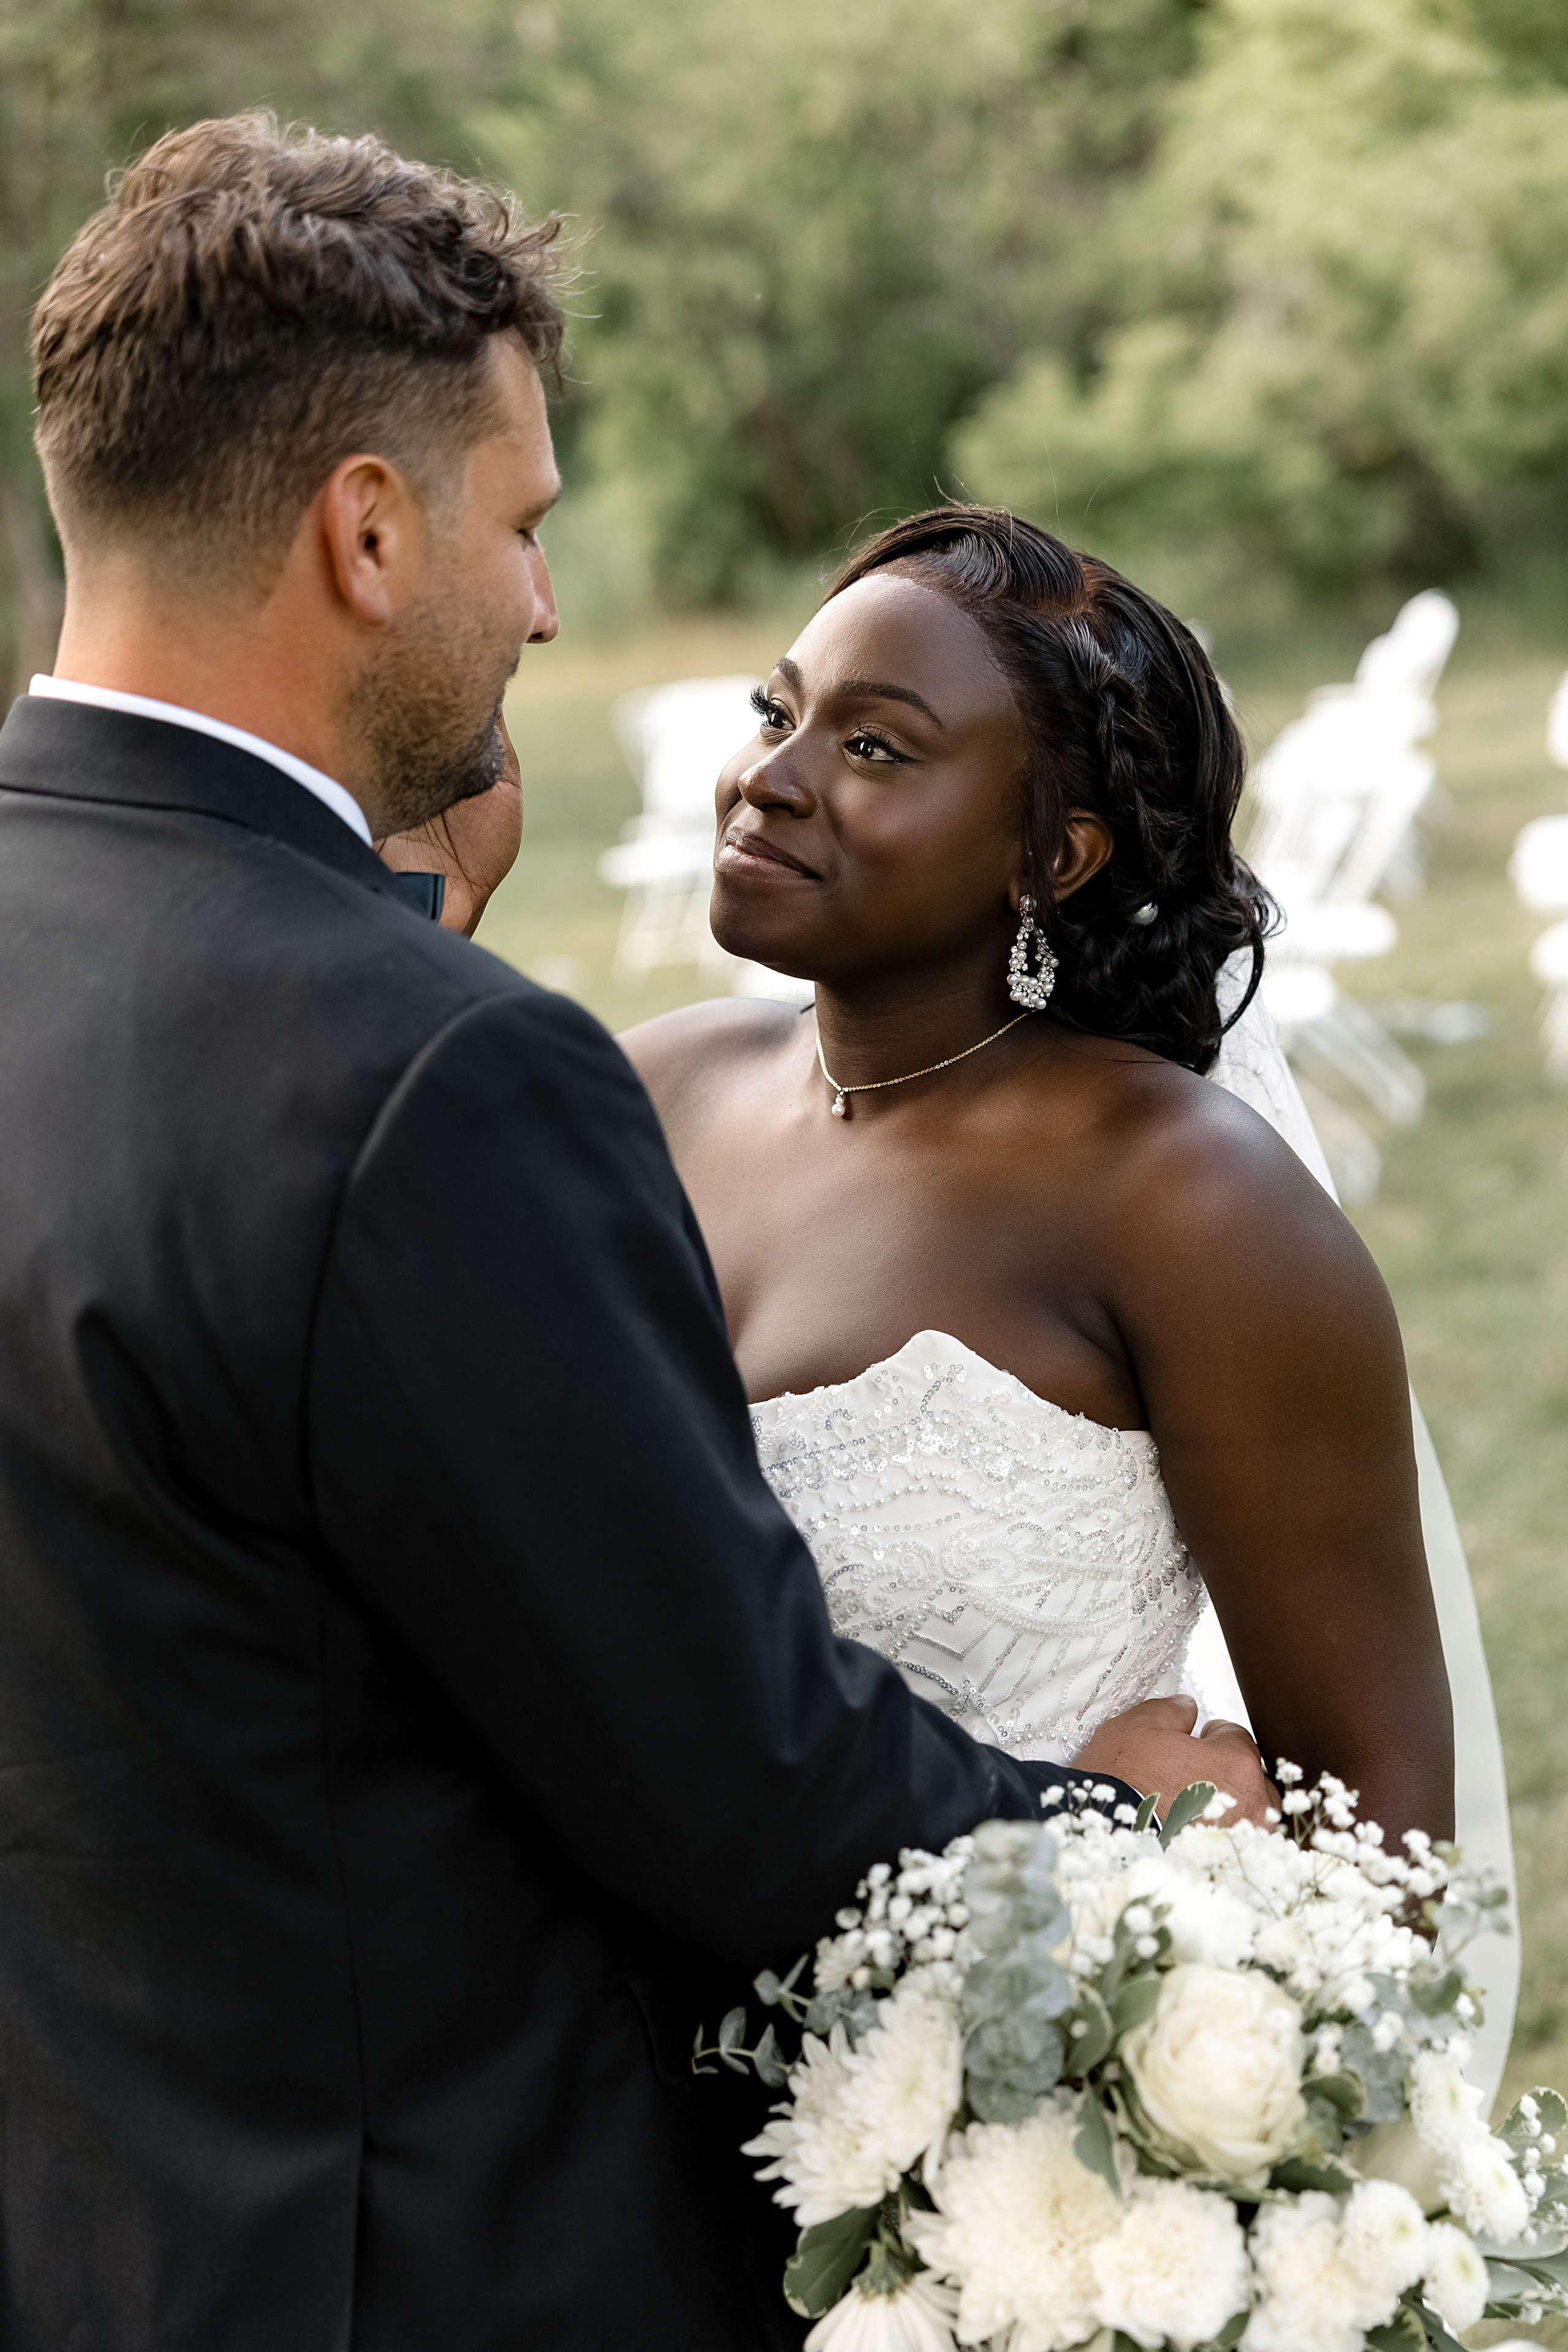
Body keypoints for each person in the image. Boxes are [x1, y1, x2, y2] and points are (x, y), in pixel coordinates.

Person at [0, 119, 1270, 2351]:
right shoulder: (435, 1079)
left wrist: (380, 942)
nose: (547, 606)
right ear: (367, 531)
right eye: (524, 523)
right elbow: (745, 1790)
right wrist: (1125, 1829)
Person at [620, 508, 1455, 1850]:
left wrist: (1120, 1895)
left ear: (1049, 856)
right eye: (777, 712)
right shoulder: (649, 1094)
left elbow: (1382, 1832)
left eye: (872, 747)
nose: (768, 777)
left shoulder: (1187, 1204)